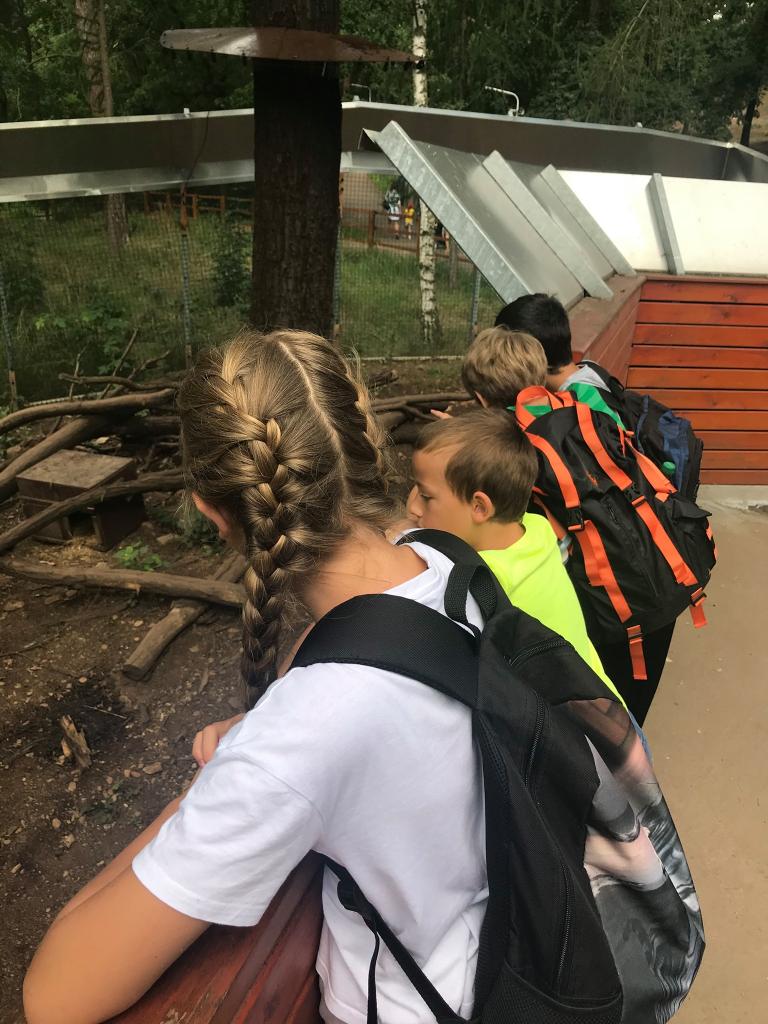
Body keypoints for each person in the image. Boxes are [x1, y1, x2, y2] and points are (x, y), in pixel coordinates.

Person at [24, 330, 489, 1024]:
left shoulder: (298, 740)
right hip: (506, 938)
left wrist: (222, 779)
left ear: (214, 512)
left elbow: (55, 998)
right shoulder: (443, 564)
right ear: (358, 444)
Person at [492, 297, 676, 723]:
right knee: (626, 704)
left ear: (529, 354)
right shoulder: (590, 380)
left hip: (630, 590)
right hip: (652, 573)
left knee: (614, 713)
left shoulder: (571, 413)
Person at [406, 409, 628, 709]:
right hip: (606, 702)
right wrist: (460, 461)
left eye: (425, 496)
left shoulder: (479, 583)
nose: (414, 508)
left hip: (572, 726)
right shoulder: (535, 528)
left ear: (480, 507)